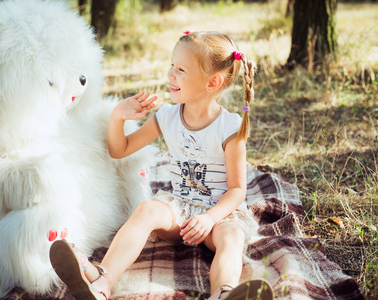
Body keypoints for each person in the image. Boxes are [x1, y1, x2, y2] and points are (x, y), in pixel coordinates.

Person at [49, 31, 273, 300]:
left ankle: (223, 293)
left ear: (212, 82)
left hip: (218, 215)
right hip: (179, 208)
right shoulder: (167, 116)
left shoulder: (229, 127)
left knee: (232, 237)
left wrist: (210, 218)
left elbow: (237, 190)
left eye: (181, 69)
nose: (170, 74)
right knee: (146, 210)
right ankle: (101, 281)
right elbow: (120, 150)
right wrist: (118, 116)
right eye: (171, 65)